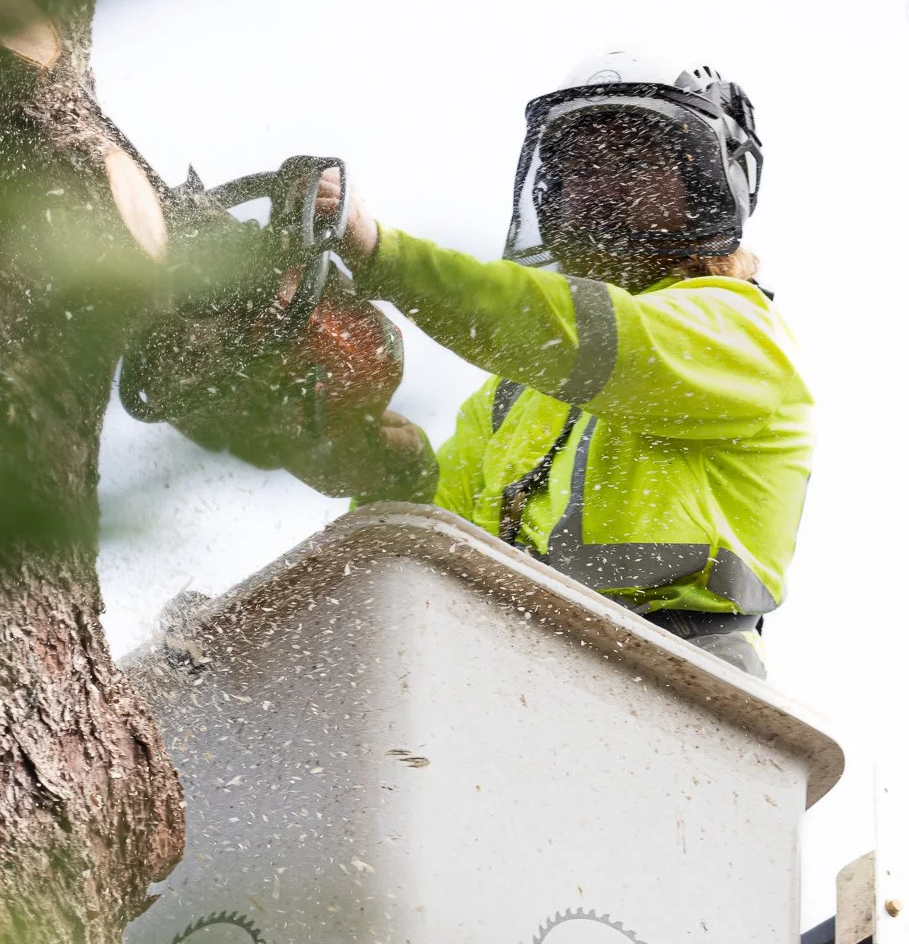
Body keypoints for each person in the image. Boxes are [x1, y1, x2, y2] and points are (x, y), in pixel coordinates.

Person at [313, 52, 812, 679]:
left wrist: (385, 255)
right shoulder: (513, 396)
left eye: (634, 160)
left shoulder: (736, 335)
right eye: (577, 165)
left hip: (681, 682)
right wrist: (391, 471)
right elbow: (430, 558)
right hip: (507, 683)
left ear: (711, 184)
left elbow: (582, 332)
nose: (600, 182)